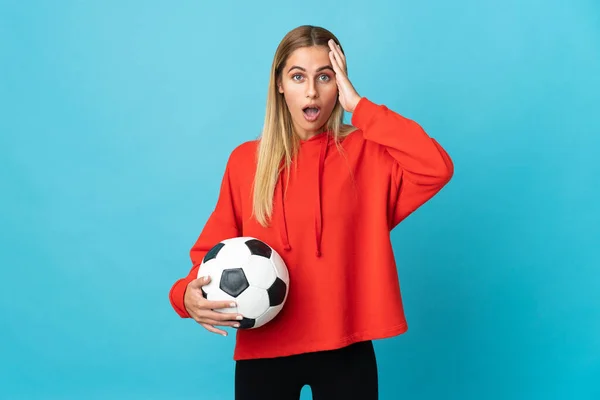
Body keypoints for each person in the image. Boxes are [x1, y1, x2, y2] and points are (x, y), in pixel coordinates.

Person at [169, 25, 454, 400]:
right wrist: (184, 296)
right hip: (264, 350)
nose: (312, 90)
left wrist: (361, 107)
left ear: (339, 83)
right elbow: (212, 250)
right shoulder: (245, 162)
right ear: (280, 85)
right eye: (298, 76)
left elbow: (436, 167)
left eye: (325, 76)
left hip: (346, 346)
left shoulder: (368, 154)